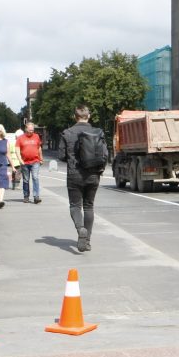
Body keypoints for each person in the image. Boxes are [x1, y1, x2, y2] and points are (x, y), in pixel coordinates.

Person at [61, 105, 108, 252]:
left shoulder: (67, 133)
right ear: (89, 116)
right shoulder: (98, 132)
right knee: (89, 206)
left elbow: (62, 156)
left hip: (74, 174)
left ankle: (80, 228)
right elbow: (105, 154)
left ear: (75, 117)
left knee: (75, 206)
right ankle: (87, 241)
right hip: (93, 174)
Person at [15, 122, 44, 203]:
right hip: (25, 162)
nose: (31, 131)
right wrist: (20, 160)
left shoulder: (36, 136)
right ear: (26, 129)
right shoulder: (20, 138)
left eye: (33, 130)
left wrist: (41, 158)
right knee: (26, 180)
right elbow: (17, 149)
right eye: (30, 130)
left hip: (35, 161)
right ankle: (26, 196)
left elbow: (39, 148)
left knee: (35, 178)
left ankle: (36, 196)